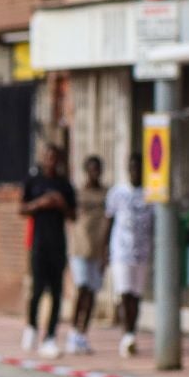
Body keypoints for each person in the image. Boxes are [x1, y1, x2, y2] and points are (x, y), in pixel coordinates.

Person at [19, 143, 76, 359]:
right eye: (47, 156)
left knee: (57, 292)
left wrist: (60, 204)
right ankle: (32, 326)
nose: (51, 160)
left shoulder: (64, 185)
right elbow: (21, 208)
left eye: (54, 157)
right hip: (38, 244)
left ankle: (50, 335)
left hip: (58, 244)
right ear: (43, 158)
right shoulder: (34, 182)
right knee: (37, 290)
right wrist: (41, 203)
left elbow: (73, 215)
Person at [107, 152, 157, 358]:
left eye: (138, 167)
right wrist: (104, 252)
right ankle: (126, 335)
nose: (135, 171)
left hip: (142, 253)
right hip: (121, 252)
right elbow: (108, 222)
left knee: (136, 296)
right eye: (132, 167)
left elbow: (155, 225)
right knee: (124, 293)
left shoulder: (151, 194)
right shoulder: (117, 193)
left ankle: (132, 332)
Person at [65, 155, 110, 356]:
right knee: (81, 288)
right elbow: (70, 215)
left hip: (98, 250)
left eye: (98, 169)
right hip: (79, 249)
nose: (95, 173)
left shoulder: (107, 194)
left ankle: (83, 334)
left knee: (92, 293)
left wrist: (106, 251)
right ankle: (73, 331)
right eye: (91, 169)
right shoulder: (77, 194)